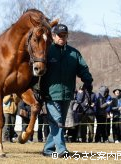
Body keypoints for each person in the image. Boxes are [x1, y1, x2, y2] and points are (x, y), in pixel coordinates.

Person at [40, 24, 93, 158]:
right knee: (57, 121)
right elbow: (37, 70)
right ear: (53, 36)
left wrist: (88, 81)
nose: (62, 38)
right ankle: (62, 150)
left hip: (67, 93)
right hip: (50, 93)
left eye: (64, 35)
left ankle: (48, 149)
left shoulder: (74, 53)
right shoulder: (46, 51)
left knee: (59, 123)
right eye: (59, 35)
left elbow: (83, 69)